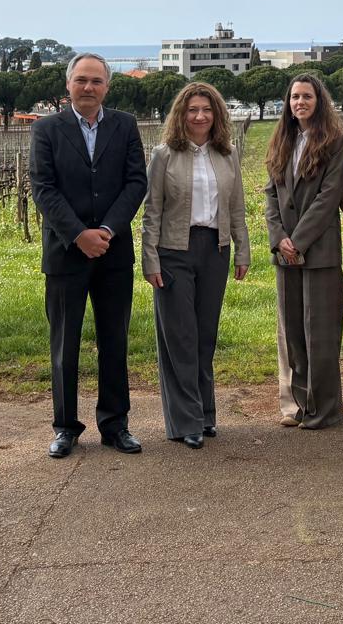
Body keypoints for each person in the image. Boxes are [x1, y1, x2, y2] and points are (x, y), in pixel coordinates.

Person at [30, 53, 149, 459]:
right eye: (81, 80)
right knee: (64, 344)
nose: (88, 87)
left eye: (96, 81)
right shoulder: (46, 129)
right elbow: (43, 187)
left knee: (114, 340)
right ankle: (66, 427)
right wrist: (79, 235)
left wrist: (107, 230)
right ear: (68, 85)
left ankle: (115, 425)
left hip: (113, 253)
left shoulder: (125, 125)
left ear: (107, 88)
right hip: (66, 253)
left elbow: (136, 182)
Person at [142, 82, 250, 449]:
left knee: (205, 336)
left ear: (217, 114)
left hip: (215, 251)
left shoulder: (228, 154)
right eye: (192, 110)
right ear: (181, 115)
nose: (200, 116)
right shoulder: (164, 156)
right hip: (174, 251)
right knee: (180, 338)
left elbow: (236, 207)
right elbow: (152, 211)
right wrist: (150, 259)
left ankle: (205, 415)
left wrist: (242, 250)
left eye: (206, 109)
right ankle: (185, 421)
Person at [264, 73, 343, 430]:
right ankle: (299, 405)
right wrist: (279, 238)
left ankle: (325, 409)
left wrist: (297, 241)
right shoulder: (281, 141)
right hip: (284, 254)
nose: (300, 102)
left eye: (307, 97)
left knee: (321, 335)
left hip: (319, 253)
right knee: (294, 335)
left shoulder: (336, 143)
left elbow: (328, 198)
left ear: (319, 102)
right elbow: (270, 194)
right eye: (295, 97)